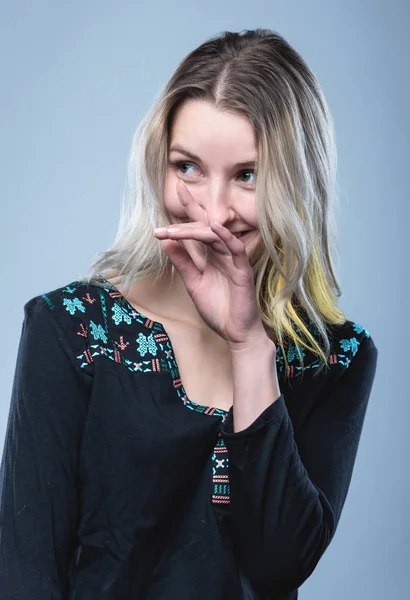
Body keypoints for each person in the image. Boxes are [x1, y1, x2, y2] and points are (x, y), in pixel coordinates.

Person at [0, 28, 378, 599]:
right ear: (159, 163)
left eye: (247, 175)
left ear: (297, 184)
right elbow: (25, 570)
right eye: (189, 168)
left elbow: (280, 563)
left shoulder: (334, 356)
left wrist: (250, 345)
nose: (214, 210)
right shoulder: (72, 329)